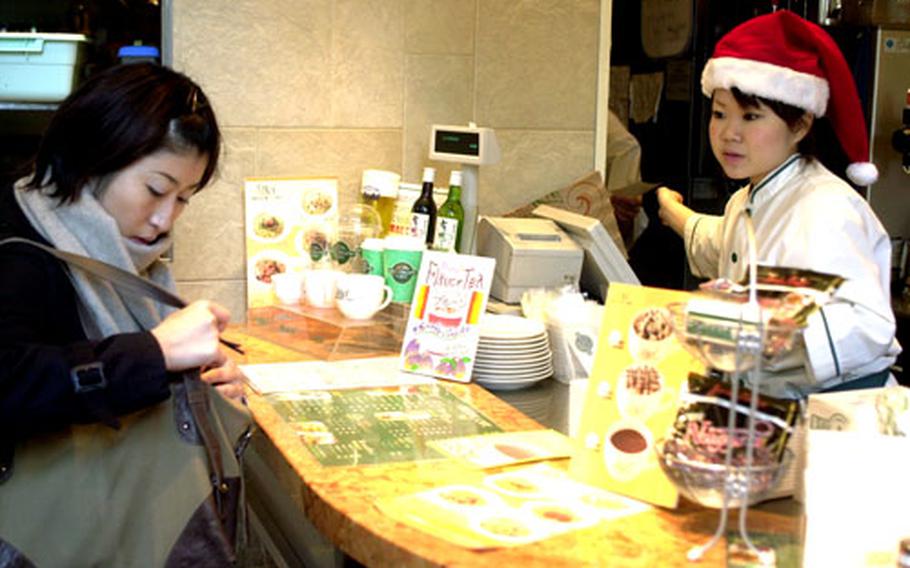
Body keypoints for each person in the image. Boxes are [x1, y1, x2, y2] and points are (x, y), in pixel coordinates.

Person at [0, 64, 246, 561]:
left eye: (182, 199)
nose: (163, 220)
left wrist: (201, 384)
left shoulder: (125, 260)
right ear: (93, 157)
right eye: (156, 190)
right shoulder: (16, 249)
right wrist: (156, 353)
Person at [656, 10, 901, 397]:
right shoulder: (749, 197)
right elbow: (722, 241)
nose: (728, 133)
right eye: (720, 114)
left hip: (838, 417)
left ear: (800, 125)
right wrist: (672, 212)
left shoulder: (827, 209)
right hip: (769, 406)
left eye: (751, 116)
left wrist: (761, 330)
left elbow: (868, 323)